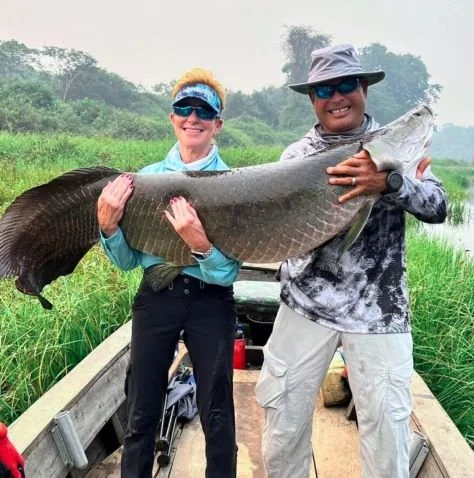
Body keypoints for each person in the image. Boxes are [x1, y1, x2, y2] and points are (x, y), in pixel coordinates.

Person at [255, 43, 448, 478]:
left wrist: (389, 182)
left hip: (379, 313)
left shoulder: (397, 146)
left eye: (346, 85)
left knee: (387, 444)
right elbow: (275, 230)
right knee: (281, 432)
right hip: (306, 304)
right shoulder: (295, 158)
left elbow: (437, 206)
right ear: (312, 99)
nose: (336, 96)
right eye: (324, 89)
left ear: (364, 89)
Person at [96, 68, 241, 477]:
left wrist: (199, 244)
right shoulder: (142, 180)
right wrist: (108, 227)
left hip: (210, 302)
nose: (192, 118)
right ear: (172, 117)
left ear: (218, 124)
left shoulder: (233, 184)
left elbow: (226, 275)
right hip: (156, 298)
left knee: (217, 412)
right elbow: (127, 261)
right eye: (184, 108)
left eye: (203, 110)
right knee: (141, 408)